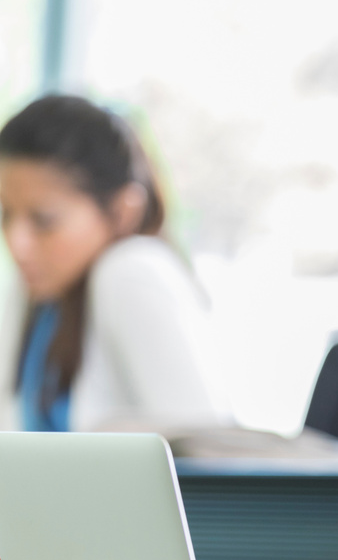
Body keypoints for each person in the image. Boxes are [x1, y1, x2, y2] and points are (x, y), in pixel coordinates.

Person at [0, 95, 230, 432]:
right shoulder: (32, 298)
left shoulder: (130, 269)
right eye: (5, 214)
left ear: (123, 212)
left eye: (44, 220)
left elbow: (203, 447)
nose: (17, 244)